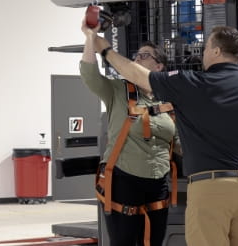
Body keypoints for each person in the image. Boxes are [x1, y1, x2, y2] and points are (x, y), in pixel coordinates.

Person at [87, 23, 238, 246]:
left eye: (205, 49)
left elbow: (137, 74)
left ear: (216, 51)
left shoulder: (192, 84)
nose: (202, 55)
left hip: (212, 188)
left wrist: (105, 49)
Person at [80, 19, 181, 246]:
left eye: (144, 56)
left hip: (159, 183)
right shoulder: (118, 91)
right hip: (124, 180)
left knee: (154, 242)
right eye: (136, 55)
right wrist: (90, 38)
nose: (136, 59)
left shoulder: (170, 101)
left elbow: (180, 143)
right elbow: (89, 75)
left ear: (159, 67)